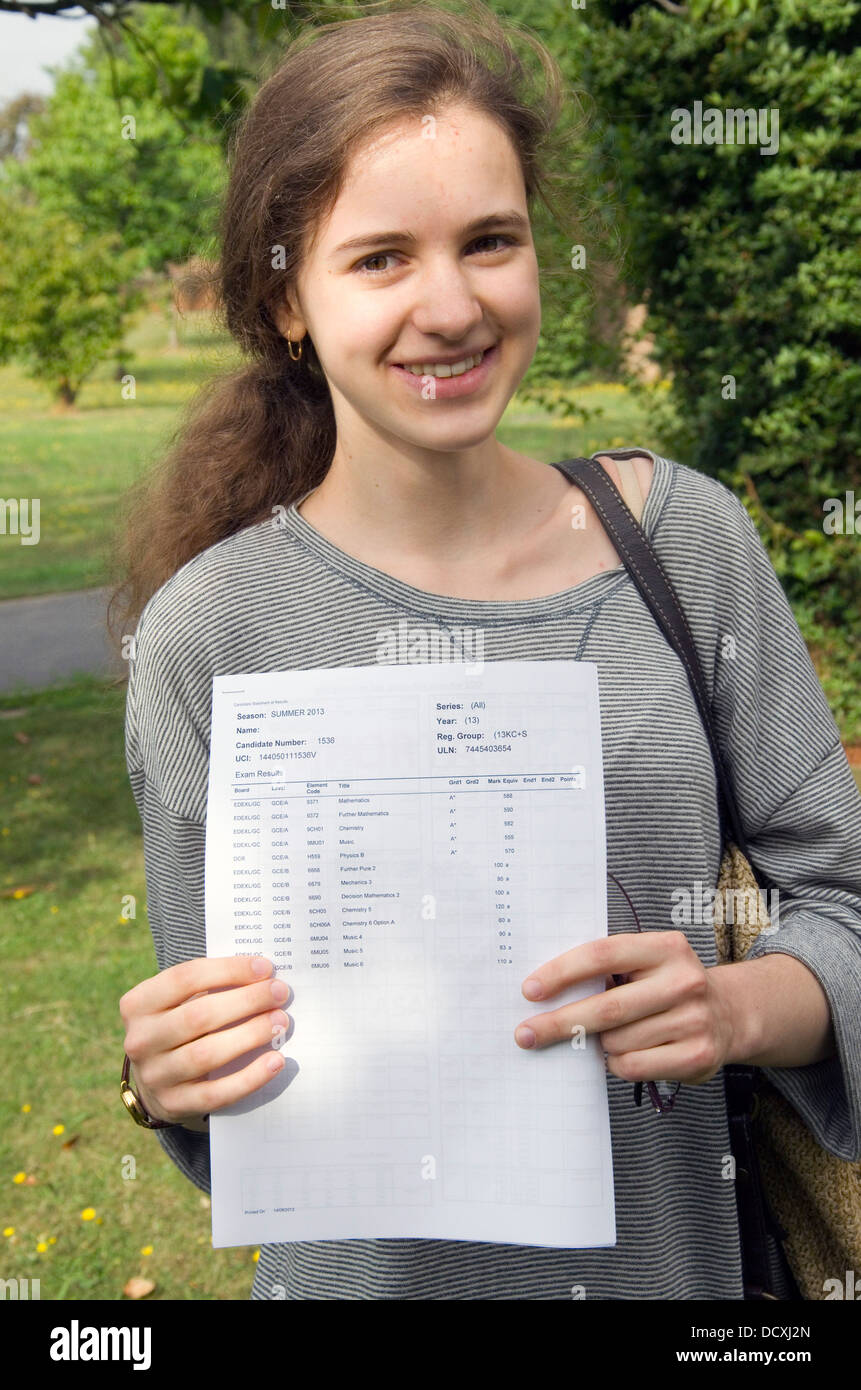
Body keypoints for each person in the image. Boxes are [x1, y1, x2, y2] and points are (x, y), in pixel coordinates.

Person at [110, 0, 861, 1301]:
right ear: (288, 295)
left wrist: (736, 1009)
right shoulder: (203, 635)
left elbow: (845, 906)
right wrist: (165, 1079)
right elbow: (223, 1100)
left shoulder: (684, 544)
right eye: (381, 257)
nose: (448, 305)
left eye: (489, 242)